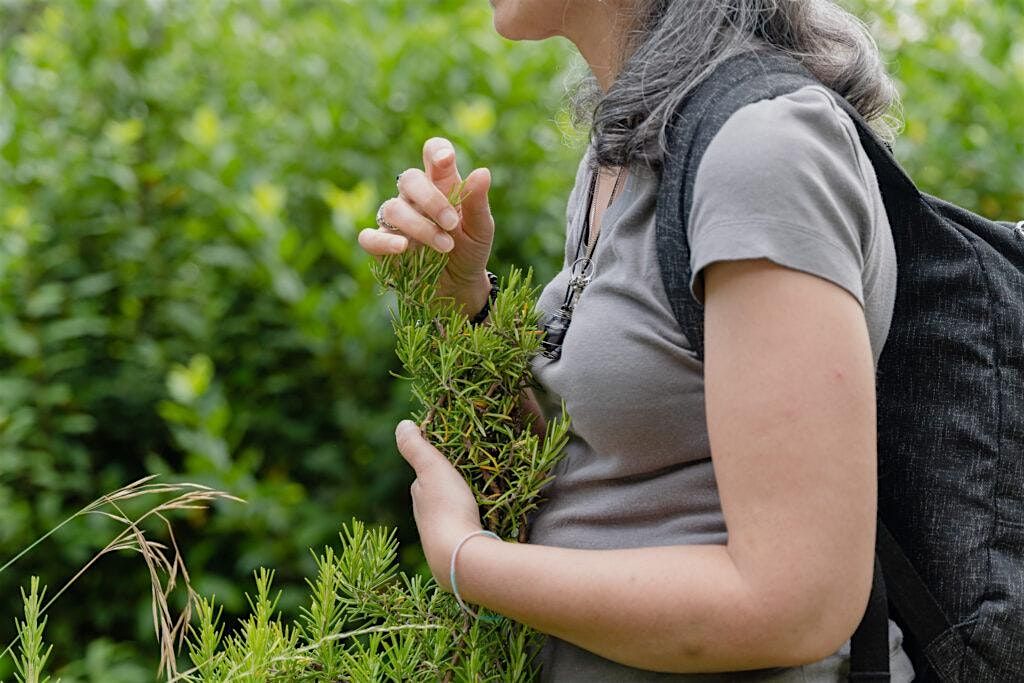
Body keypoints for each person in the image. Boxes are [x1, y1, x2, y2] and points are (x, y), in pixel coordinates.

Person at [358, 1, 917, 680]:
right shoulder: (629, 144)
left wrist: (467, 559)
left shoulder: (762, 151)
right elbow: (604, 481)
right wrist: (462, 306)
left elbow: (796, 603)